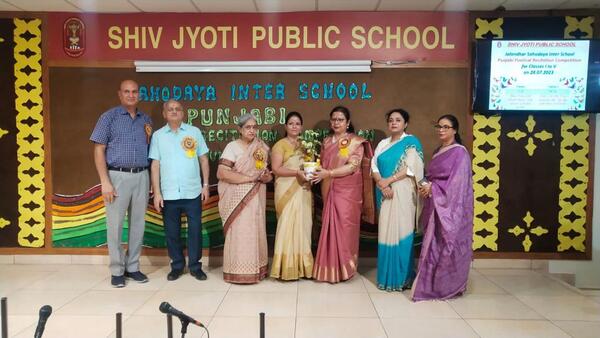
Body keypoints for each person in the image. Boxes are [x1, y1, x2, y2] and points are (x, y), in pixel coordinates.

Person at [90, 79, 152, 287]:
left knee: (138, 224)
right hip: (116, 177)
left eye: (134, 91)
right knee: (115, 225)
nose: (131, 95)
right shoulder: (108, 118)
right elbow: (98, 150)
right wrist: (104, 181)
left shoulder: (146, 120)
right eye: (127, 91)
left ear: (139, 95)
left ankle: (132, 266)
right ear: (120, 94)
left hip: (142, 176)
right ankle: (117, 270)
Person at [412, 114, 473, 301]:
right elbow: (432, 177)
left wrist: (434, 189)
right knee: (432, 243)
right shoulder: (439, 151)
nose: (441, 130)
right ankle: (430, 282)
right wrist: (426, 187)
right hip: (435, 206)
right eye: (439, 126)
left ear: (454, 130)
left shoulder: (460, 152)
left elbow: (458, 184)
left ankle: (446, 285)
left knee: (447, 244)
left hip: (450, 207)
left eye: (446, 127)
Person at [149, 99, 210, 281]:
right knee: (171, 232)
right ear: (164, 113)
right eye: (170, 109)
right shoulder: (158, 136)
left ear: (183, 113)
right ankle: (176, 266)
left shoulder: (194, 132)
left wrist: (205, 185)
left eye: (177, 109)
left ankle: (195, 266)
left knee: (195, 230)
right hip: (168, 194)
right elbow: (155, 165)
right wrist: (157, 193)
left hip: (193, 191)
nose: (174, 112)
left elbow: (204, 160)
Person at [311, 106, 373, 283]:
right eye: (334, 119)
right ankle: (328, 269)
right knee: (329, 228)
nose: (336, 122)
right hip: (328, 188)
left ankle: (346, 269)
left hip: (348, 192)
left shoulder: (356, 142)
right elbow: (322, 164)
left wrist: (328, 173)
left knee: (346, 229)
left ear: (348, 123)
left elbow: (353, 166)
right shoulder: (326, 141)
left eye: (340, 119)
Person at [371, 109, 424, 291]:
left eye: (398, 120)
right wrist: (382, 184)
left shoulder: (411, 142)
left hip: (402, 192)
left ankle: (403, 279)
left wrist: (389, 181)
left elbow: (411, 169)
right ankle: (386, 278)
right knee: (386, 232)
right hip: (384, 193)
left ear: (405, 124)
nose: (394, 123)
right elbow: (373, 165)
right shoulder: (383, 144)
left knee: (402, 232)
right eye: (391, 120)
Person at [217, 114, 272, 283]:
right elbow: (222, 173)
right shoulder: (232, 147)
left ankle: (257, 271)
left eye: (254, 127)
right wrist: (248, 178)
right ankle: (236, 271)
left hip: (257, 196)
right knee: (240, 232)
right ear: (239, 129)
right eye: (247, 127)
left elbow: (268, 175)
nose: (252, 130)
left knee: (255, 230)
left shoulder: (261, 147)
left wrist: (265, 177)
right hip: (237, 197)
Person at [270, 112, 314, 280]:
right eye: (291, 123)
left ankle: (304, 267)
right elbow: (276, 169)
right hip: (286, 190)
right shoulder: (279, 145)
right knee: (287, 224)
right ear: (286, 126)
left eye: (297, 123)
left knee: (303, 225)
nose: (294, 126)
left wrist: (311, 173)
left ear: (301, 127)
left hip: (303, 189)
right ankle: (285, 268)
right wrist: (296, 172)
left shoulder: (307, 145)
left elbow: (310, 166)